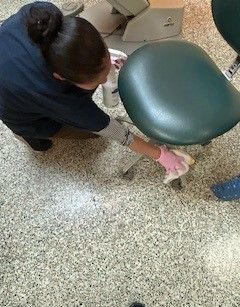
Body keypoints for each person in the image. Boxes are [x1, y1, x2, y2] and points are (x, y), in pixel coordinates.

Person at [0, 1, 189, 181]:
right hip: (17, 109)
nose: (106, 79)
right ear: (61, 77)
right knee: (88, 134)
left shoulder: (43, 15)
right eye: (100, 79)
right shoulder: (54, 95)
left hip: (9, 57)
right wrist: (161, 155)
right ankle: (27, 137)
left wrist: (101, 60)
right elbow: (111, 130)